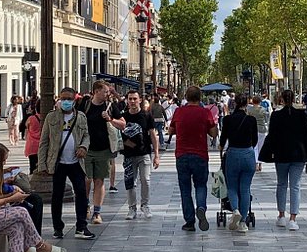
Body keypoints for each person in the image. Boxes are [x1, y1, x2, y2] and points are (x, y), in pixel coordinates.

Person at [37, 87, 95, 240]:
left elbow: (87, 136)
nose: (66, 102)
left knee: (81, 193)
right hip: (58, 162)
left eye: (69, 99)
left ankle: (81, 227)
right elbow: (43, 142)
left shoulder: (81, 117)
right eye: (63, 99)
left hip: (76, 162)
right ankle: (58, 228)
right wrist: (42, 165)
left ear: (74, 100)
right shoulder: (51, 117)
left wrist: (83, 147)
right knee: (57, 195)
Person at [265, 89, 307, 231]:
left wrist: (270, 152)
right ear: (294, 99)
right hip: (298, 155)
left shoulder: (276, 115)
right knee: (295, 186)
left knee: (281, 184)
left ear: (281, 99)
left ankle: (281, 215)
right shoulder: (301, 115)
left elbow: (272, 135)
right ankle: (293, 219)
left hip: (281, 154)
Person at [168, 85, 218, 231]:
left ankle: (189, 222)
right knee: (201, 185)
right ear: (200, 97)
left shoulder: (179, 112)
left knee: (185, 189)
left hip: (182, 155)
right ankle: (201, 207)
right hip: (200, 155)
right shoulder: (205, 113)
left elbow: (171, 130)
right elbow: (213, 133)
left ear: (186, 97)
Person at [81, 80, 126, 224]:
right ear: (96, 91)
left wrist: (110, 119)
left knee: (99, 181)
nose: (108, 94)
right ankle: (85, 205)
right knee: (86, 180)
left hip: (104, 149)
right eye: (105, 91)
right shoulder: (85, 105)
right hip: (86, 149)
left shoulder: (110, 106)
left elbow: (123, 124)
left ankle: (97, 212)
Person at [220, 94, 258, 233]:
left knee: (232, 186)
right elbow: (254, 140)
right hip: (248, 154)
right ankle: (243, 222)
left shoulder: (228, 119)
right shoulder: (251, 120)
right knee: (245, 188)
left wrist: (221, 149)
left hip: (233, 154)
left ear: (235, 103)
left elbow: (223, 139)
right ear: (246, 103)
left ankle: (235, 210)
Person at [120, 89, 159, 220]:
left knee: (146, 180)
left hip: (144, 153)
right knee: (130, 182)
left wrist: (156, 155)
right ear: (127, 100)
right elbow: (118, 135)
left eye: (134, 99)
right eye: (130, 99)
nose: (132, 101)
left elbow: (153, 135)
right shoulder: (123, 117)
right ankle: (132, 208)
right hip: (129, 155)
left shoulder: (146, 115)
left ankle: (145, 205)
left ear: (140, 100)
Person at [246, 95, 269, 172]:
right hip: (262, 129)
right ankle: (260, 164)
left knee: (254, 147)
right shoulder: (263, 110)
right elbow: (266, 120)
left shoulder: (249, 110)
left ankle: (255, 164)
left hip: (252, 130)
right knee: (261, 146)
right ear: (260, 102)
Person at [24, 99, 42, 174]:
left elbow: (26, 126)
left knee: (32, 167)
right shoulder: (48, 118)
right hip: (41, 145)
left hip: (31, 145)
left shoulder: (31, 118)